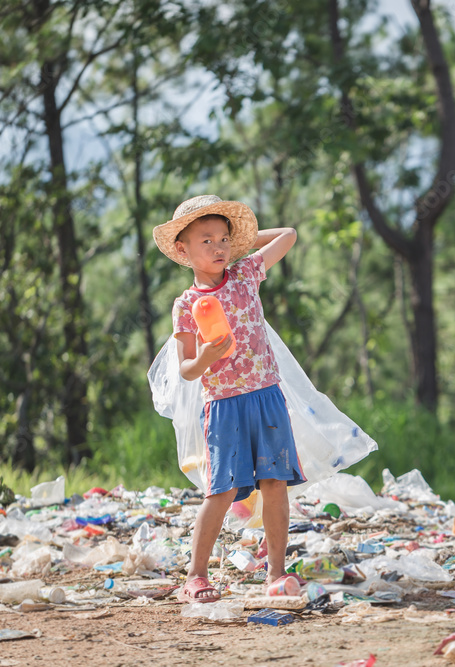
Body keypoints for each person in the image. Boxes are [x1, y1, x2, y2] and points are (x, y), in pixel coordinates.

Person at [152, 194, 304, 602]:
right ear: (182, 250)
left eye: (224, 239)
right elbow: (187, 369)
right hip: (223, 404)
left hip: (266, 395)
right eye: (206, 241)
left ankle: (276, 573)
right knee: (220, 491)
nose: (218, 247)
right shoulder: (187, 304)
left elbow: (289, 235)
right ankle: (196, 575)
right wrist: (205, 357)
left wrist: (241, 244)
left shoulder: (246, 273)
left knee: (275, 484)